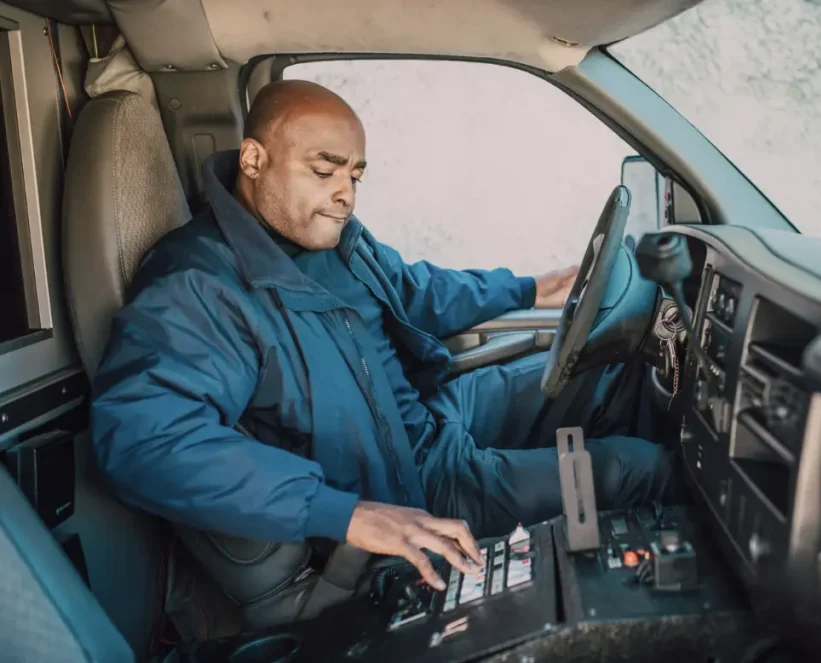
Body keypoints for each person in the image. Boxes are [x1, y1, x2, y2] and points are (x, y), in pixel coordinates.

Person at [90, 80, 676, 599]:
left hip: (431, 415)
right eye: (324, 171)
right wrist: (348, 515)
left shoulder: (330, 233)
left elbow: (411, 289)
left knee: (608, 375)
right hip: (412, 486)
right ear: (253, 159)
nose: (345, 193)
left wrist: (530, 288)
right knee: (637, 471)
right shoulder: (200, 286)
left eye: (355, 175)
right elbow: (143, 440)